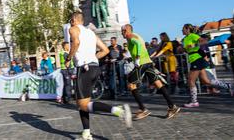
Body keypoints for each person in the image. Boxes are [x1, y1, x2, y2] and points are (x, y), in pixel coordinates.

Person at [66, 12, 132, 140]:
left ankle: (119, 111)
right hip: (94, 67)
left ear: (74, 20)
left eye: (70, 20)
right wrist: (92, 58)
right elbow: (105, 50)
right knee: (84, 101)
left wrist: (69, 58)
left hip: (84, 69)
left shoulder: (73, 29)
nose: (70, 22)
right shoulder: (91, 32)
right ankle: (86, 133)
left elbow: (76, 43)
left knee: (82, 104)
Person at [121, 24, 180, 119]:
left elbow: (137, 44)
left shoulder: (130, 36)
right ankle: (172, 106)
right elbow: (140, 44)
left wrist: (137, 58)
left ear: (126, 31)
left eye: (122, 31)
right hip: (148, 62)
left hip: (142, 63)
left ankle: (143, 109)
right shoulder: (137, 35)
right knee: (158, 83)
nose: (121, 33)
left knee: (131, 85)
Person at [182, 24, 232, 108]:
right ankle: (227, 86)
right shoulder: (185, 39)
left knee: (191, 80)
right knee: (206, 81)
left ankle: (194, 101)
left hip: (197, 59)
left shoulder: (193, 36)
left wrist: (194, 45)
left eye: (183, 29)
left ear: (187, 29)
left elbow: (204, 41)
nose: (182, 30)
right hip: (194, 59)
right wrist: (184, 49)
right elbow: (188, 49)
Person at [226, 26, 234, 94]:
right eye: (231, 30)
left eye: (233, 30)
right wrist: (229, 44)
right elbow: (229, 47)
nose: (232, 32)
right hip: (233, 56)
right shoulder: (230, 37)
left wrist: (232, 43)